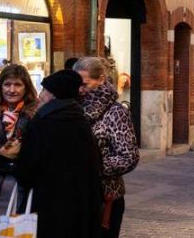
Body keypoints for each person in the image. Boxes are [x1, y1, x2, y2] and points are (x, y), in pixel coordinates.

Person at [15, 69, 102, 238]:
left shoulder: (42, 121)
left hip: (46, 205)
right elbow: (95, 165)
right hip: (79, 206)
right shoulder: (81, 121)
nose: (40, 95)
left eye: (44, 90)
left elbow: (26, 168)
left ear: (53, 94)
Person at [74, 57, 140, 238]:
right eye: (77, 84)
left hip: (105, 197)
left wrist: (93, 167)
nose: (81, 89)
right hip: (76, 196)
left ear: (101, 79)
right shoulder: (72, 107)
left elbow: (129, 157)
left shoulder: (116, 112)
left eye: (85, 84)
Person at [0, 64, 38, 238]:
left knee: (21, 234)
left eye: (17, 84)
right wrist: (13, 161)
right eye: (7, 84)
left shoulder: (36, 114)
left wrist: (0, 152)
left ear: (26, 87)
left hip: (25, 190)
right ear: (0, 86)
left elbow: (37, 155)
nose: (12, 89)